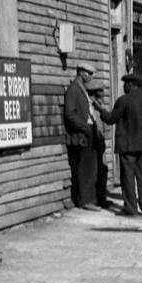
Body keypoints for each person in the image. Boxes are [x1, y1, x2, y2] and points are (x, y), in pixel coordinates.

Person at [99, 72, 142, 217]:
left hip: (128, 146)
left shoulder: (124, 100)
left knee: (128, 177)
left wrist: (100, 109)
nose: (124, 86)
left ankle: (131, 209)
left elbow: (111, 119)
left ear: (131, 85)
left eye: (125, 84)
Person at [63, 61, 99, 210]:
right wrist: (85, 128)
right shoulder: (74, 89)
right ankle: (85, 201)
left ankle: (90, 198)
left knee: (90, 166)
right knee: (85, 168)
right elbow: (70, 114)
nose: (91, 76)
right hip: (82, 134)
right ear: (81, 73)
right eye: (89, 74)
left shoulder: (82, 89)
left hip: (87, 132)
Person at [86, 79, 113, 209]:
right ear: (95, 92)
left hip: (100, 140)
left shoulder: (99, 104)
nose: (103, 92)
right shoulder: (91, 106)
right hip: (94, 141)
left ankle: (102, 198)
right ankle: (97, 198)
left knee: (103, 170)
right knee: (96, 170)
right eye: (101, 90)